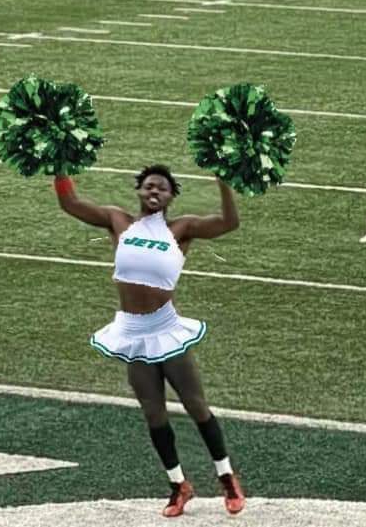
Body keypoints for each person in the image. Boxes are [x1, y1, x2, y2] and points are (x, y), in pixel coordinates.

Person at [53, 165, 245, 518]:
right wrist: (60, 168)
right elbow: (71, 203)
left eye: (163, 187)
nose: (155, 190)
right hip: (132, 332)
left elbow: (228, 222)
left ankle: (227, 477)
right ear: (139, 190)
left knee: (195, 404)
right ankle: (179, 485)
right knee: (153, 412)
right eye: (149, 185)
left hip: (165, 329)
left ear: (172, 196)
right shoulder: (118, 221)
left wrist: (224, 182)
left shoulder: (181, 229)